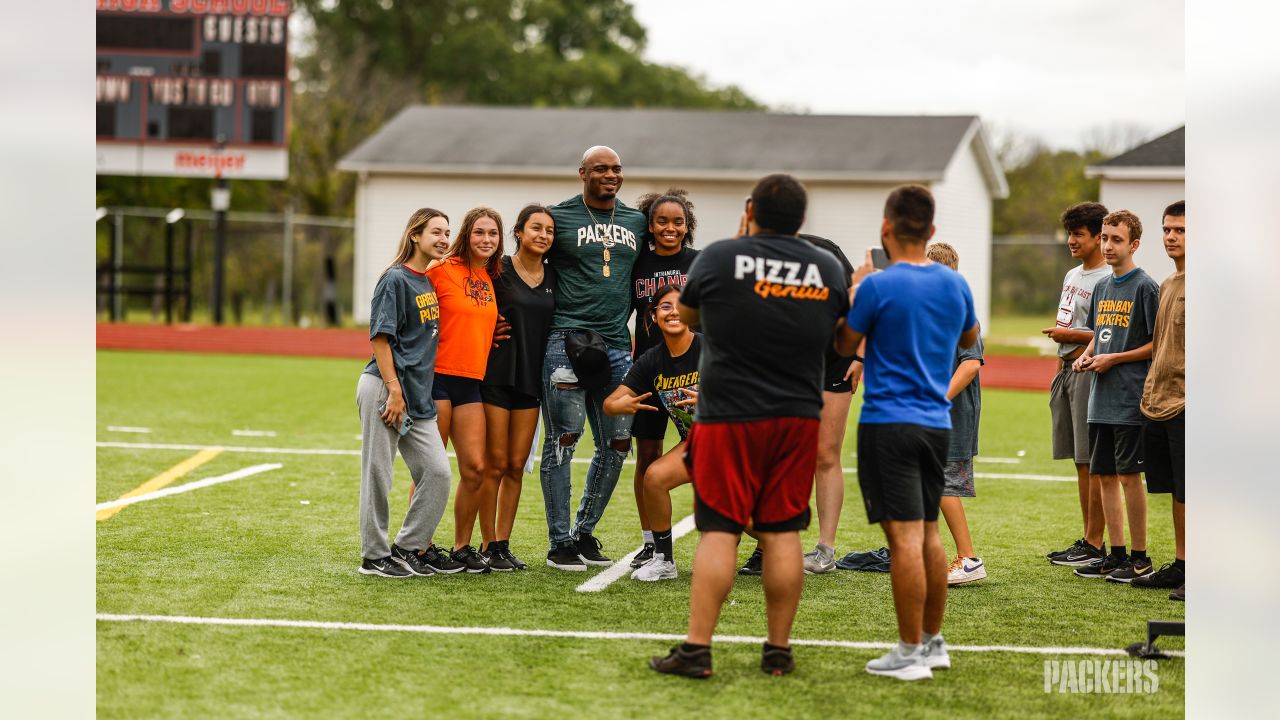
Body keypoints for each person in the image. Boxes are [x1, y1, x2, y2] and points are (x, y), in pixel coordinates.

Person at [649, 173, 849, 679]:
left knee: (719, 530)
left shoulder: (719, 255)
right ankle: (778, 651)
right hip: (797, 414)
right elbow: (843, 343)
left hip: (728, 414)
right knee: (782, 532)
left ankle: (697, 651)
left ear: (751, 211)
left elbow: (689, 314)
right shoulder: (826, 265)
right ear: (802, 219)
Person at [835, 184, 980, 681]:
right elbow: (968, 337)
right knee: (928, 535)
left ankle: (910, 650)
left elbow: (843, 342)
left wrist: (856, 291)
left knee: (903, 542)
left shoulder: (877, 285)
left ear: (886, 229)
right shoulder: (955, 283)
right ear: (932, 231)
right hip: (936, 424)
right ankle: (933, 643)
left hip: (888, 423)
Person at [540, 146, 649, 570]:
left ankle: (584, 533)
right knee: (565, 440)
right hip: (566, 339)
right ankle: (559, 542)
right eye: (601, 168)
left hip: (618, 344)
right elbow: (528, 260)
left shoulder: (636, 221)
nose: (610, 174)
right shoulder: (558, 216)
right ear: (583, 172)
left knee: (618, 443)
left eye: (617, 168)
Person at [739, 233, 861, 577]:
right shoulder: (752, 259)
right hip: (782, 364)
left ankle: (825, 551)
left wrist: (861, 355)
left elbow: (860, 303)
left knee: (824, 455)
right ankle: (769, 547)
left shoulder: (825, 250)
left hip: (833, 362)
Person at [357, 208, 463, 578]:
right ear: (415, 235)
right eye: (436, 231)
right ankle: (374, 555)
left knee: (437, 473)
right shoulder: (395, 279)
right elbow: (380, 339)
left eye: (447, 232)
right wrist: (394, 391)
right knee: (379, 474)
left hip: (418, 396)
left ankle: (406, 546)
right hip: (386, 389)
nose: (443, 238)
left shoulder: (428, 281)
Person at [1070, 210, 1159, 583]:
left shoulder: (1145, 286)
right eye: (1104, 238)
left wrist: (1115, 359)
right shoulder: (1103, 286)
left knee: (1128, 477)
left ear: (1134, 244)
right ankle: (1116, 554)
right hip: (1099, 398)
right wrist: (1089, 353)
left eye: (1116, 239)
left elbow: (1158, 344)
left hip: (1127, 398)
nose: (1107, 245)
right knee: (1103, 474)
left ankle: (1140, 558)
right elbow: (1102, 331)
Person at [479, 204, 558, 571]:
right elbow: (473, 308)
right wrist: (486, 329)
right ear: (519, 232)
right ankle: (485, 543)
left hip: (531, 379)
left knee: (515, 466)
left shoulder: (555, 277)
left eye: (549, 231)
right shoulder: (498, 269)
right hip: (498, 375)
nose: (543, 235)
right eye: (536, 228)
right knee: (493, 465)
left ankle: (503, 545)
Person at [604, 284, 700, 581]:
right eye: (665, 306)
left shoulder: (711, 348)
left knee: (739, 518)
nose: (673, 312)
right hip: (696, 443)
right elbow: (609, 404)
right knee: (654, 476)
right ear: (654, 316)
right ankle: (664, 560)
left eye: (680, 305)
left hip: (734, 441)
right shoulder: (652, 360)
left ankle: (773, 546)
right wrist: (625, 403)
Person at [426, 207, 503, 573]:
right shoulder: (440, 270)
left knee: (475, 468)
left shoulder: (489, 277)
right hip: (437, 378)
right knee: (432, 468)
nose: (486, 240)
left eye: (493, 234)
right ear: (466, 235)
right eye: (479, 233)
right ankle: (419, 546)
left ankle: (461, 547)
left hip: (471, 382)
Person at [627, 189, 700, 569]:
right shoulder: (637, 264)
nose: (670, 228)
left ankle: (761, 543)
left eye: (678, 221)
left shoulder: (701, 263)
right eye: (662, 221)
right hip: (650, 372)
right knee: (649, 457)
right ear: (649, 226)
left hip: (695, 372)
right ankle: (651, 542)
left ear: (687, 227)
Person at [1044, 202, 1111, 568]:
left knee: (1090, 460)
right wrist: (1058, 369)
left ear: (1099, 238)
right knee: (1077, 460)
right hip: (1067, 370)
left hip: (1090, 371)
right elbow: (1066, 326)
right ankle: (1088, 536)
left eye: (1078, 234)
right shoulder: (1072, 275)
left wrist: (1067, 336)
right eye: (1069, 233)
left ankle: (1095, 541)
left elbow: (1106, 332)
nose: (1071, 240)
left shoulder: (1106, 278)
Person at [1131, 201, 1185, 601]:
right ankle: (1184, 566)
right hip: (1159, 401)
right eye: (1167, 229)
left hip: (1190, 404)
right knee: (1174, 490)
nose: (1171, 237)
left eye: (1181, 230)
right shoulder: (1168, 285)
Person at [925, 242, 987, 586]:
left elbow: (971, 365)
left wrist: (939, 399)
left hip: (953, 416)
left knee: (944, 485)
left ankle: (969, 558)